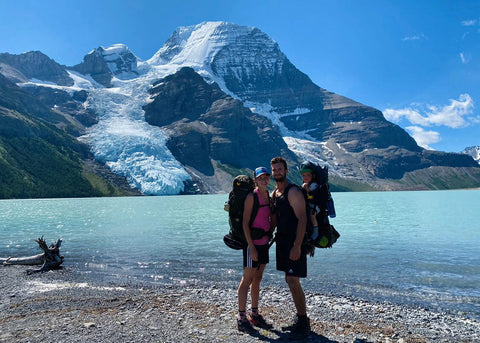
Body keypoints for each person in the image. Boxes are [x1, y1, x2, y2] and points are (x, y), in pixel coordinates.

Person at [270, 157, 311, 339]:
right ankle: (300, 319)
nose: (277, 172)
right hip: (282, 243)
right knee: (290, 280)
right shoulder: (275, 193)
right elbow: (275, 220)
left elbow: (302, 218)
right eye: (274, 170)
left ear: (286, 171)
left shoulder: (293, 191)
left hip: (295, 242)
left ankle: (303, 322)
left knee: (293, 280)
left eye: (280, 169)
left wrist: (297, 246)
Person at [237, 167, 274, 332]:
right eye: (261, 178)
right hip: (252, 244)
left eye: (266, 177)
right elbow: (245, 223)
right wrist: (251, 246)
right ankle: (241, 317)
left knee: (257, 278)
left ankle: (254, 313)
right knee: (247, 279)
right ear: (255, 180)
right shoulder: (252, 197)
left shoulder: (268, 195)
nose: (264, 180)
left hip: (264, 243)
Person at [299, 164, 320, 241]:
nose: (305, 177)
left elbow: (311, 194)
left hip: (315, 206)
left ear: (312, 176)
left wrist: (307, 191)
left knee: (312, 215)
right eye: (303, 175)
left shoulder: (314, 185)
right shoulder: (304, 185)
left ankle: (315, 231)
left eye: (308, 175)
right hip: (308, 205)